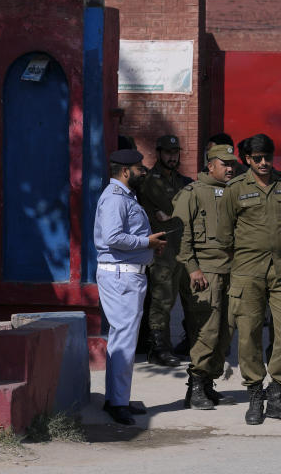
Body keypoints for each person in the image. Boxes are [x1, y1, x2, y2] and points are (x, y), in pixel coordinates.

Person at [222, 134, 281, 425]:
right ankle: (255, 394)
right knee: (249, 335)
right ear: (247, 160)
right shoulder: (234, 189)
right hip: (247, 271)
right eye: (258, 158)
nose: (265, 163)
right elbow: (224, 234)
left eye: (269, 157)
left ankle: (278, 393)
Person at [94, 149, 167, 426]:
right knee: (124, 341)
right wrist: (146, 244)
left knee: (121, 339)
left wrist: (149, 248)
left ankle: (116, 398)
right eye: (140, 168)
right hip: (121, 277)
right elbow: (112, 237)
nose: (144, 172)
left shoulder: (125, 197)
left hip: (126, 274)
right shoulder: (115, 199)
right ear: (126, 172)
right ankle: (118, 404)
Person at [172, 143, 243, 410]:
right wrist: (192, 268)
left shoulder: (234, 192)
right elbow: (179, 235)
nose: (230, 168)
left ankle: (209, 383)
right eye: (224, 164)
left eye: (232, 164)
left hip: (231, 271)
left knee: (225, 330)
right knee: (206, 330)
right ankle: (196, 386)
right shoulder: (191, 193)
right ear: (210, 165)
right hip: (204, 273)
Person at [137, 134, 193, 367]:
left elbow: (186, 206)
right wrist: (176, 208)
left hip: (184, 248)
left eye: (175, 153)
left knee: (192, 298)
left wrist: (174, 211)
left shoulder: (180, 180)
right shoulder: (151, 180)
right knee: (162, 300)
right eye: (168, 153)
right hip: (162, 251)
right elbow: (178, 205)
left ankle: (192, 342)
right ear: (159, 153)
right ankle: (159, 348)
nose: (172, 157)